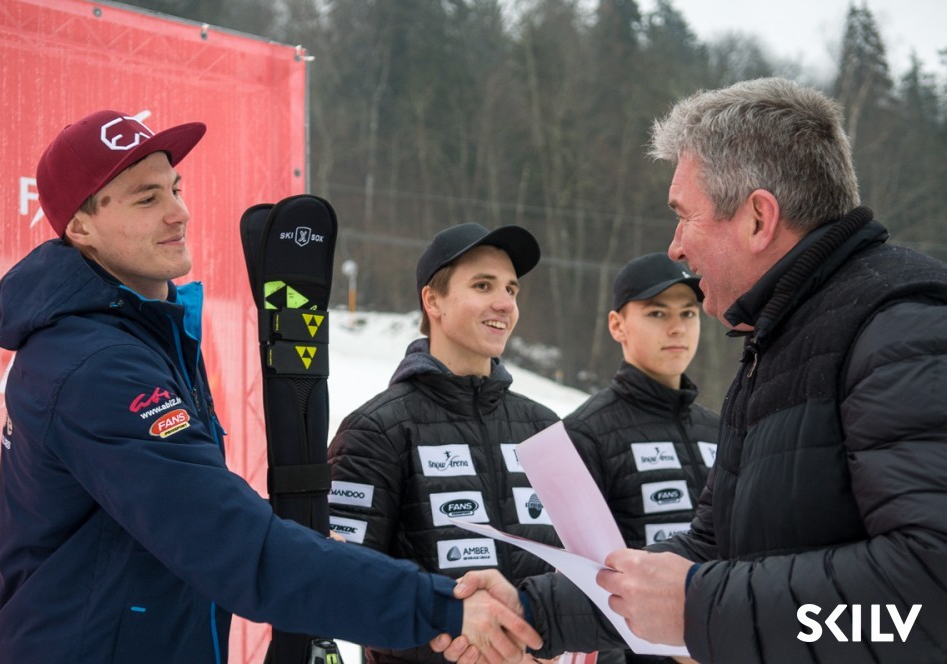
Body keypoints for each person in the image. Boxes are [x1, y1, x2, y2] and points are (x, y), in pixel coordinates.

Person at [0, 110, 541, 663]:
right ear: (81, 227)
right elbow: (225, 540)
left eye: (175, 189)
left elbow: (174, 501)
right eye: (146, 199)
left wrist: (300, 540)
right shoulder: (98, 365)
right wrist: (442, 607)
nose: (179, 212)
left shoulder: (141, 335)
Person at [444, 77, 947, 663]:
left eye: (685, 217)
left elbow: (927, 596)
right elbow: (712, 550)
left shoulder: (903, 329)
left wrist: (700, 607)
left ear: (758, 218)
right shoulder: (779, 343)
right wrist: (533, 611)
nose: (676, 247)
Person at [327, 222, 563, 664]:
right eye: (483, 285)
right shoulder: (375, 429)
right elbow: (344, 587)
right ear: (432, 300)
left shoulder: (544, 427)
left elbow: (584, 570)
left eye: (511, 289)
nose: (504, 303)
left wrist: (562, 643)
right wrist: (452, 636)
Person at [563, 253, 718, 664]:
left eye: (688, 313)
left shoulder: (723, 430)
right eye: (656, 313)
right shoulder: (583, 433)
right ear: (617, 325)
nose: (677, 327)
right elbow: (580, 584)